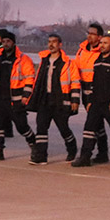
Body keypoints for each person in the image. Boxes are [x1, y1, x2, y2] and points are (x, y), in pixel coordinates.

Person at [71, 34, 110, 167]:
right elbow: (94, 83)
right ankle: (85, 157)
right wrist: (90, 101)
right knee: (89, 129)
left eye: (106, 43)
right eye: (102, 43)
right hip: (96, 103)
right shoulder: (97, 61)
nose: (102, 45)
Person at [27, 33, 80, 164]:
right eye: (49, 42)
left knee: (63, 128)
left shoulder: (68, 63)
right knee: (41, 128)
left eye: (54, 42)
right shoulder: (44, 61)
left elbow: (75, 82)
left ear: (60, 44)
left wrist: (75, 100)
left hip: (60, 100)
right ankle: (41, 156)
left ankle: (72, 149)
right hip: (44, 99)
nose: (51, 44)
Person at [0, 31, 37, 159]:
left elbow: (30, 79)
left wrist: (26, 96)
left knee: (21, 126)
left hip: (16, 99)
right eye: (3, 42)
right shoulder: (0, 58)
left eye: (8, 41)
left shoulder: (23, 59)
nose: (5, 44)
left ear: (13, 42)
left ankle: (34, 146)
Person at [74, 23, 109, 162]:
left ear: (99, 37)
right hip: (85, 90)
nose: (89, 35)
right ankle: (103, 152)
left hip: (98, 92)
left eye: (93, 33)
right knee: (97, 123)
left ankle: (86, 154)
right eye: (88, 33)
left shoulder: (103, 52)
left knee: (92, 123)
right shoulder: (81, 50)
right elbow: (76, 70)